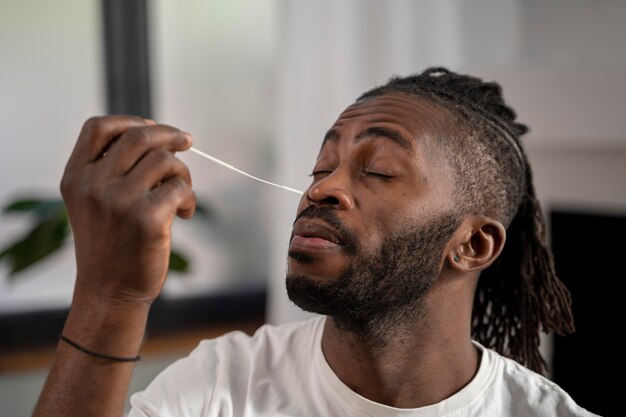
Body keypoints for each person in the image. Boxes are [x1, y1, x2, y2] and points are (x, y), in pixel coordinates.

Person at [33, 67, 597, 417]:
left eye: (377, 169)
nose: (322, 188)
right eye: (320, 165)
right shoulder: (223, 384)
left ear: (472, 245)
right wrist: (111, 297)